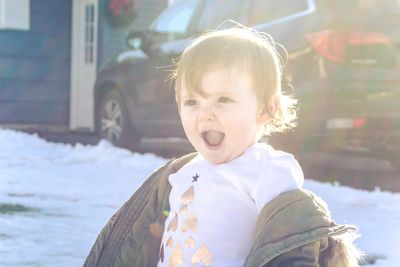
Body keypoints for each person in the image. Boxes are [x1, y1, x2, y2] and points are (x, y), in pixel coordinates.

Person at [83, 26, 361, 267]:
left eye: (223, 100)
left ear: (266, 109)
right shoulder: (180, 172)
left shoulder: (267, 169)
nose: (205, 114)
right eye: (192, 102)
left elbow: (292, 237)